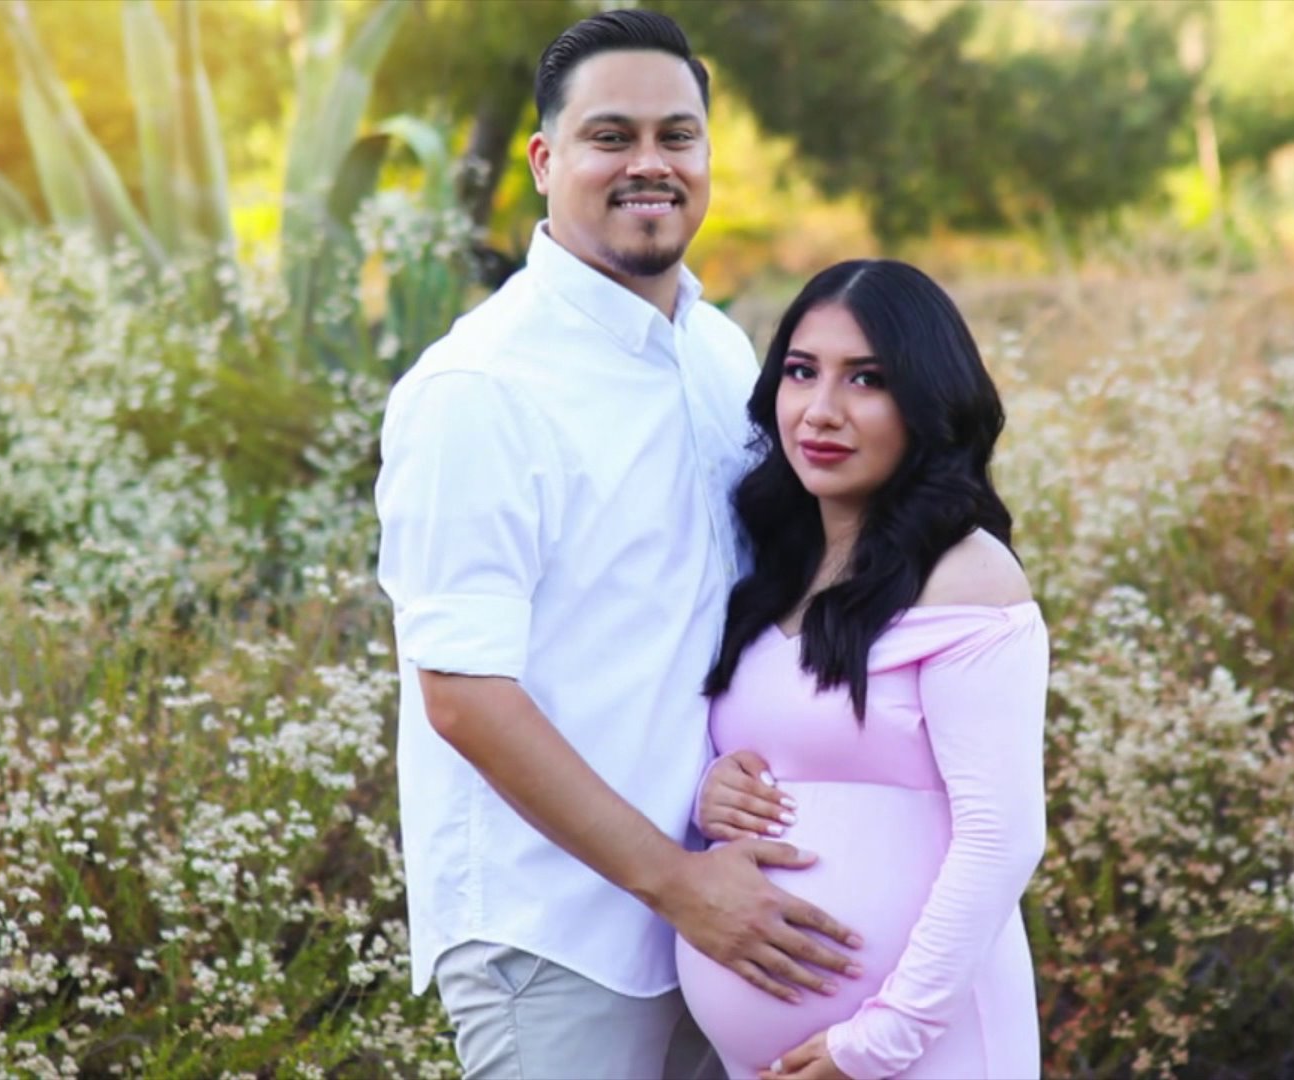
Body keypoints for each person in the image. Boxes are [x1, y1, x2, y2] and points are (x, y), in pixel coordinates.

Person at [374, 11, 861, 1079]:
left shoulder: (714, 347)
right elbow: (464, 695)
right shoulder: (480, 391)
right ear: (545, 161)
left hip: (719, 918)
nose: (650, 163)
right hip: (560, 934)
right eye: (612, 136)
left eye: (677, 135)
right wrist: (675, 884)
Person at [675, 260, 1050, 1080]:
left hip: (920, 1051)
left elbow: (1004, 837)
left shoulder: (968, 576)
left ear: (926, 402)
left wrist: (877, 1042)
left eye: (866, 381)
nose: (821, 411)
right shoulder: (771, 563)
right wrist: (711, 790)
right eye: (802, 372)